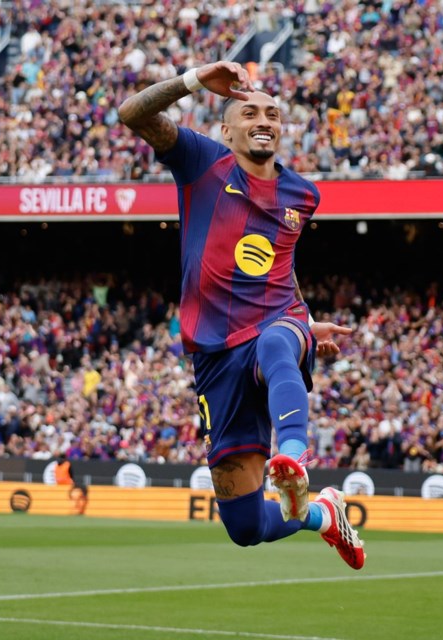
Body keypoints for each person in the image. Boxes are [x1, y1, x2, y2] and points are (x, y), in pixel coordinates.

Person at [118, 60, 365, 569]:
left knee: (275, 343)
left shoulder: (303, 194)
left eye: (272, 113)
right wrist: (193, 80)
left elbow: (282, 263)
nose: (264, 119)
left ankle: (293, 457)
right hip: (215, 355)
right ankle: (323, 514)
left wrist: (303, 321)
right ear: (226, 131)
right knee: (246, 527)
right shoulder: (202, 162)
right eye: (250, 112)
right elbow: (131, 113)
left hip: (276, 325)